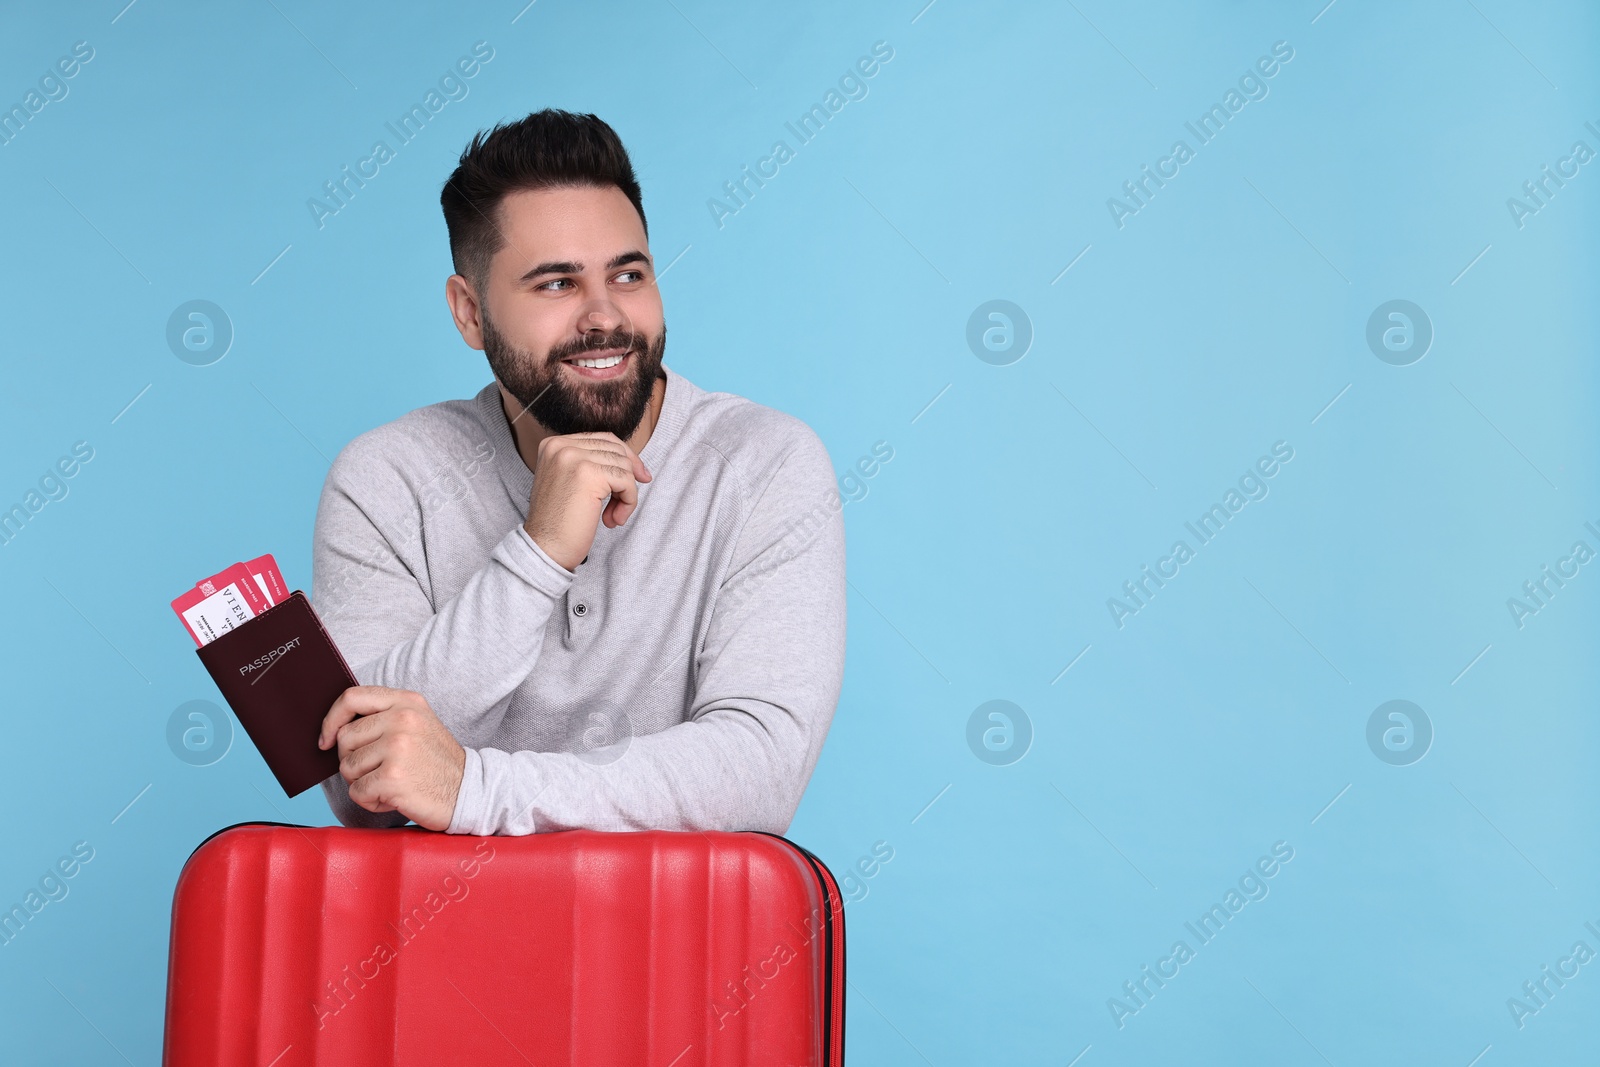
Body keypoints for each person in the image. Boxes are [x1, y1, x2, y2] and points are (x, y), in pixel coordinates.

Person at [309, 109, 846, 836]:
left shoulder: (763, 464)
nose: (604, 316)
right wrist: (538, 555)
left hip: (679, 942)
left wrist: (476, 788)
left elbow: (758, 771)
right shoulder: (388, 479)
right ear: (470, 314)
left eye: (628, 274)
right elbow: (363, 783)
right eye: (556, 284)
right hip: (445, 941)